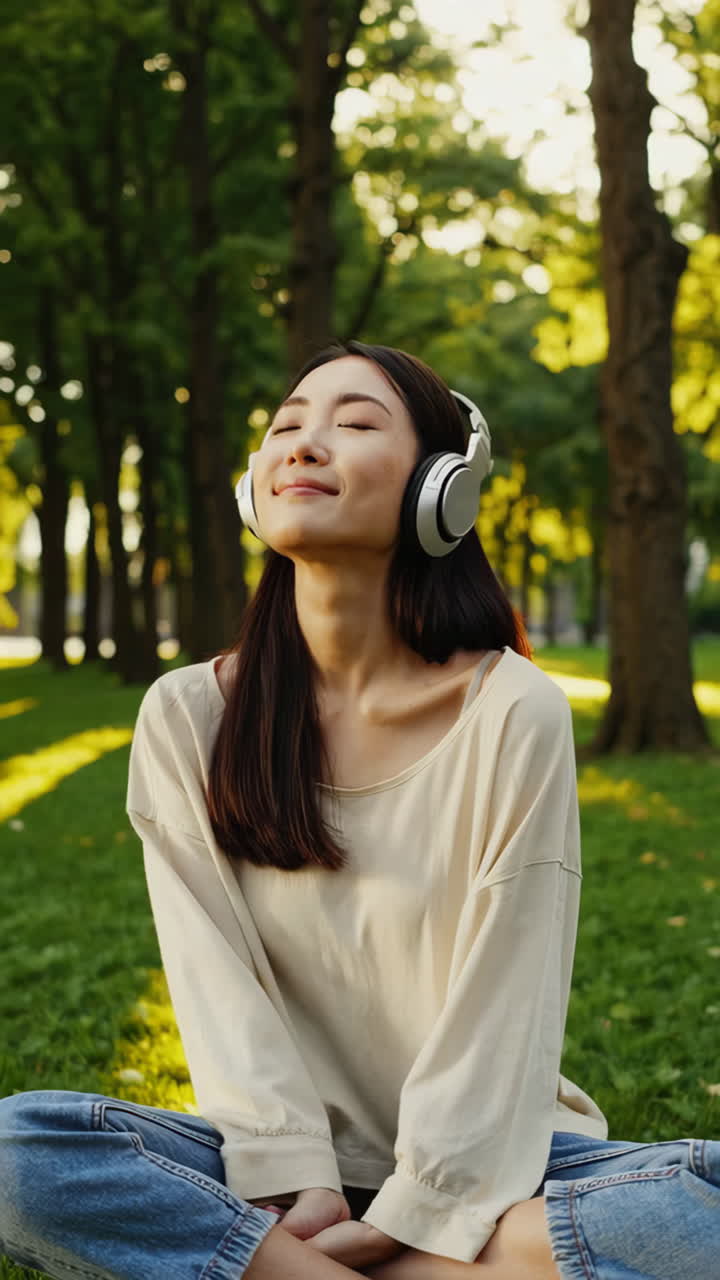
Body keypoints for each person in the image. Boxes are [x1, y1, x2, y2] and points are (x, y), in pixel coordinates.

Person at [0, 341, 718, 1280]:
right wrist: (292, 1172)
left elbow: (509, 997)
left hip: (501, 1164)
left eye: (354, 422)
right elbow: (218, 986)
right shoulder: (188, 716)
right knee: (17, 1153)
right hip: (271, 1173)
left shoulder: (512, 709)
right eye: (286, 427)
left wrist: (420, 1213)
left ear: (443, 488)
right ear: (254, 488)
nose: (303, 445)